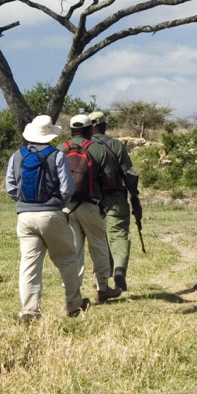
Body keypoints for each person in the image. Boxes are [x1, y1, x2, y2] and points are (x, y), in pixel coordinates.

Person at [6, 114, 88, 321]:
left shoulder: (18, 155)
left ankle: (30, 311)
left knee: (29, 265)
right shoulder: (57, 155)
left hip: (25, 216)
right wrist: (57, 205)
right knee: (67, 259)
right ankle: (74, 304)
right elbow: (67, 188)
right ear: (50, 134)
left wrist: (24, 201)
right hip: (51, 213)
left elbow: (10, 187)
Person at [59, 114, 122, 303]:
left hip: (66, 207)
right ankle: (102, 288)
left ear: (71, 131)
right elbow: (110, 181)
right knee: (99, 245)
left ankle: (72, 292)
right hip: (91, 205)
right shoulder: (97, 149)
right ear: (89, 130)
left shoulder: (60, 149)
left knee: (74, 250)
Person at [90, 110, 138, 292]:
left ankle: (103, 281)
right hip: (115, 197)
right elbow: (128, 174)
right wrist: (134, 197)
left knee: (99, 239)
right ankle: (119, 269)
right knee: (118, 234)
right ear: (104, 126)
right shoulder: (116, 145)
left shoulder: (84, 146)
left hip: (91, 200)